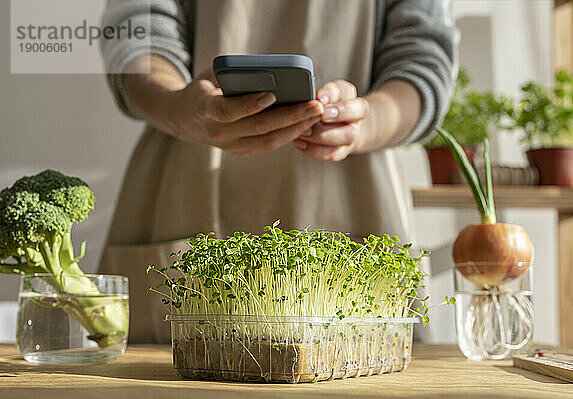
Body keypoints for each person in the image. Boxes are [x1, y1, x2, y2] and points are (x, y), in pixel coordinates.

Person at [100, 0, 458, 343]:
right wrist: (180, 107)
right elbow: (137, 33)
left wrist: (365, 121)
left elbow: (423, 56)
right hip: (185, 181)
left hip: (355, 191)